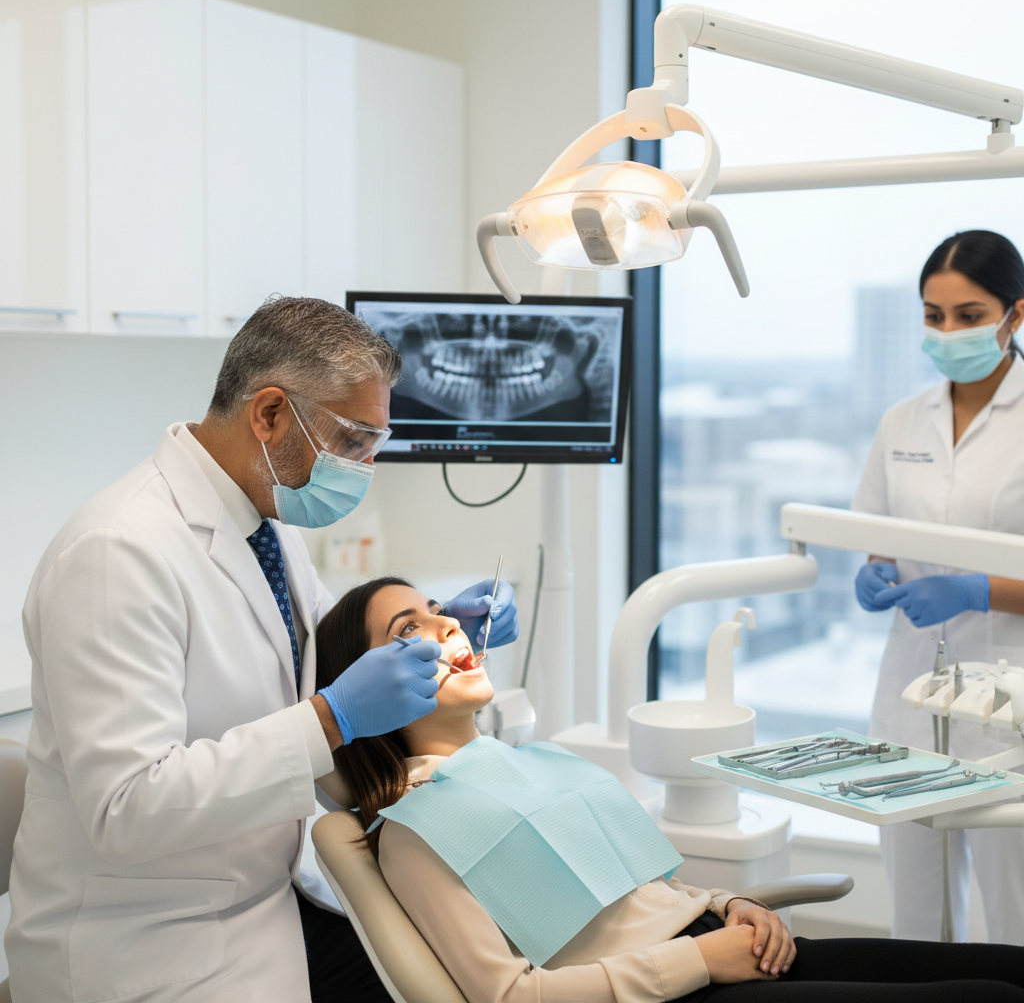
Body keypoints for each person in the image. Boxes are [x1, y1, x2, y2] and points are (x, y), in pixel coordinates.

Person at [5, 297, 519, 1003]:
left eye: (376, 443)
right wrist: (333, 718)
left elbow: (310, 649)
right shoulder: (117, 554)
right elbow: (125, 809)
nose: (366, 466)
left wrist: (433, 620)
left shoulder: (262, 520)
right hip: (144, 947)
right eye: (353, 440)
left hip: (259, 898)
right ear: (270, 412)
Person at [315, 575, 1024, 1003]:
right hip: (678, 993)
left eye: (436, 610)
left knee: (1009, 971)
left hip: (720, 947)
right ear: (367, 686)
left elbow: (634, 896)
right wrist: (699, 958)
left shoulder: (522, 759)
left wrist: (728, 903)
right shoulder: (413, 832)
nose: (445, 624)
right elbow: (509, 995)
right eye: (410, 629)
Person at [852, 230, 1024, 943]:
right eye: (934, 315)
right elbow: (874, 532)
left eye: (969, 315)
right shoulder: (902, 421)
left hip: (1010, 707)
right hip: (909, 698)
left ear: (1015, 315)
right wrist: (876, 569)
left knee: (1015, 918)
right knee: (918, 924)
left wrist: (980, 590)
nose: (948, 331)